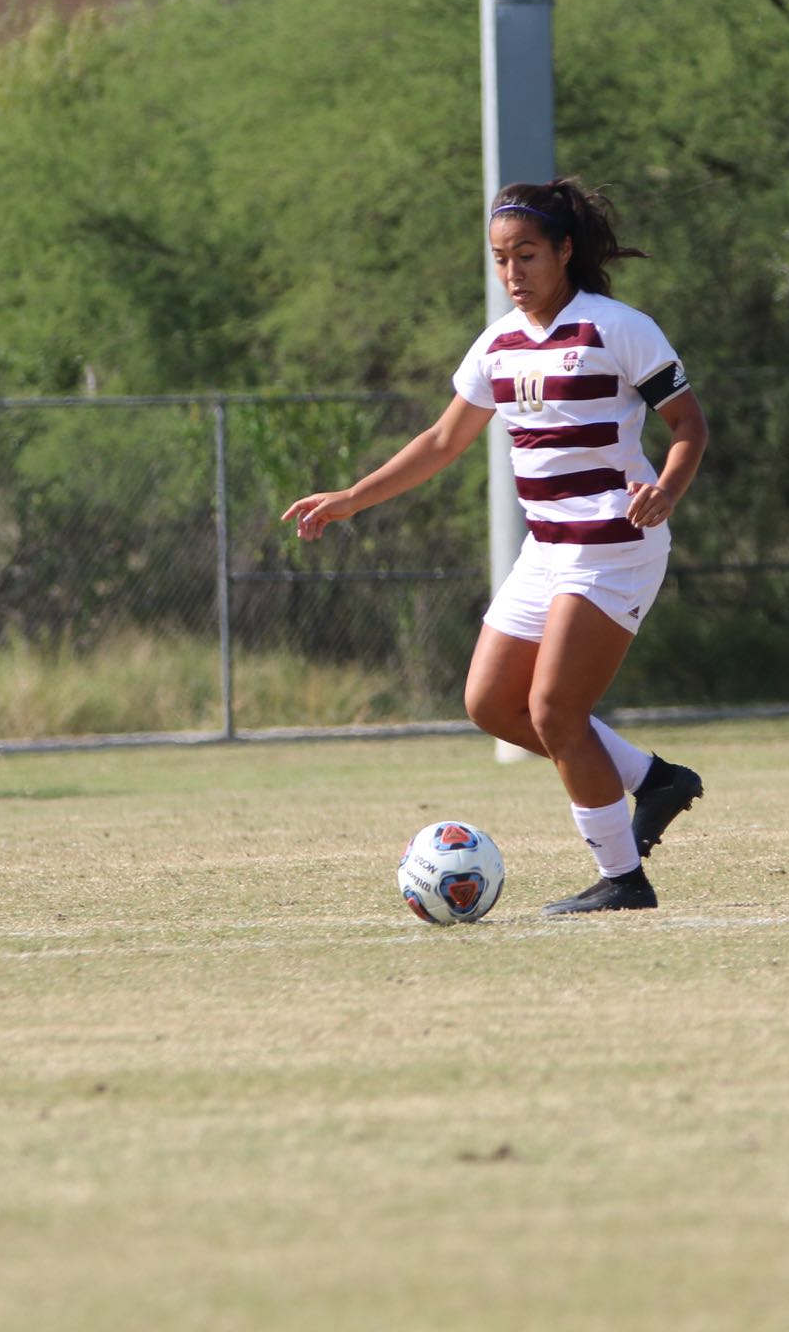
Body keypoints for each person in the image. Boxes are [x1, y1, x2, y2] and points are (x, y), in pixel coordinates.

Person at [285, 179, 708, 915]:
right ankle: (652, 780)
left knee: (553, 711)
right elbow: (444, 440)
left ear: (566, 251)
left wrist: (666, 490)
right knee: (489, 704)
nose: (514, 273)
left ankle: (623, 879)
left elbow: (690, 429)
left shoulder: (616, 327)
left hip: (614, 545)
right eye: (501, 259)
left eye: (528, 255)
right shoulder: (498, 343)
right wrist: (352, 498)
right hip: (545, 553)